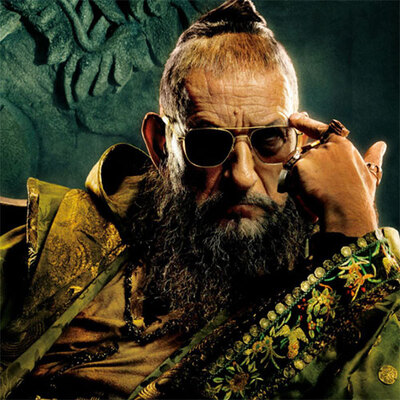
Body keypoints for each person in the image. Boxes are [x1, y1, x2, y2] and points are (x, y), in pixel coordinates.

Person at [1, 0, 399, 399]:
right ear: (161, 146)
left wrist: (354, 234)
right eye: (208, 144)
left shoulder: (349, 265)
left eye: (268, 140)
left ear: (297, 142)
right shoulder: (52, 242)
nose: (242, 176)